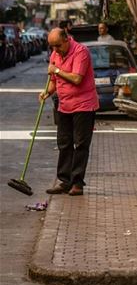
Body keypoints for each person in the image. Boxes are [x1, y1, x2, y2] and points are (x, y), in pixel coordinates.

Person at [40, 27, 99, 196]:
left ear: (66, 39)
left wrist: (57, 70)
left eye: (57, 45)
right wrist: (47, 92)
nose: (55, 50)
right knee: (64, 142)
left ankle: (77, 183)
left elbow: (77, 78)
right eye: (52, 47)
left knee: (80, 143)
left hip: (83, 105)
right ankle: (65, 181)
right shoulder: (55, 55)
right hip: (64, 105)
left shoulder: (81, 52)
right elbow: (54, 82)